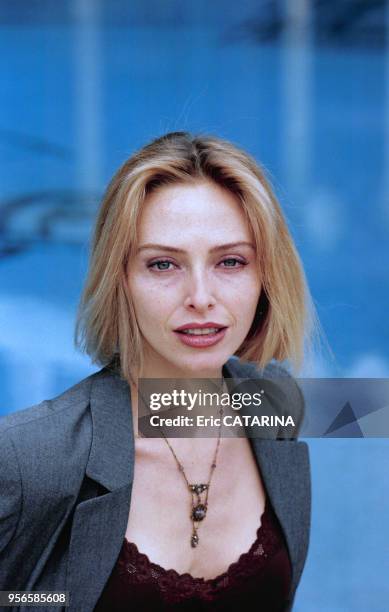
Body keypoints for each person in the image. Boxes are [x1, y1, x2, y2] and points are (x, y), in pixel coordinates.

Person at [0, 132, 312, 612]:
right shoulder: (29, 455)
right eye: (163, 264)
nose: (201, 297)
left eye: (231, 261)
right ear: (119, 279)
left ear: (266, 276)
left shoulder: (276, 405)